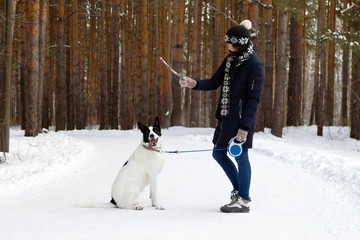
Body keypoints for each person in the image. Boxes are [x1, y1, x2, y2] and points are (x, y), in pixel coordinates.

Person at [179, 20, 264, 213]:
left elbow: (254, 99)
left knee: (241, 157)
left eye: (231, 43)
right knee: (218, 153)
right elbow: (215, 81)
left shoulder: (254, 65)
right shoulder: (230, 59)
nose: (228, 46)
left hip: (242, 120)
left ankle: (243, 199)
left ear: (241, 43)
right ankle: (239, 191)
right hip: (226, 115)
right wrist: (193, 83)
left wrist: (245, 128)